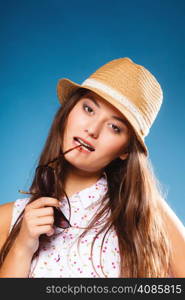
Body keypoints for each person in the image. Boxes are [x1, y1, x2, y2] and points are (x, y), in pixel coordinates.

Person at [0, 57, 184, 278]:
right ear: (69, 111)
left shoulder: (146, 213)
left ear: (125, 150)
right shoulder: (9, 218)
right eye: (88, 109)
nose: (92, 130)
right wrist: (22, 246)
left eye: (115, 127)